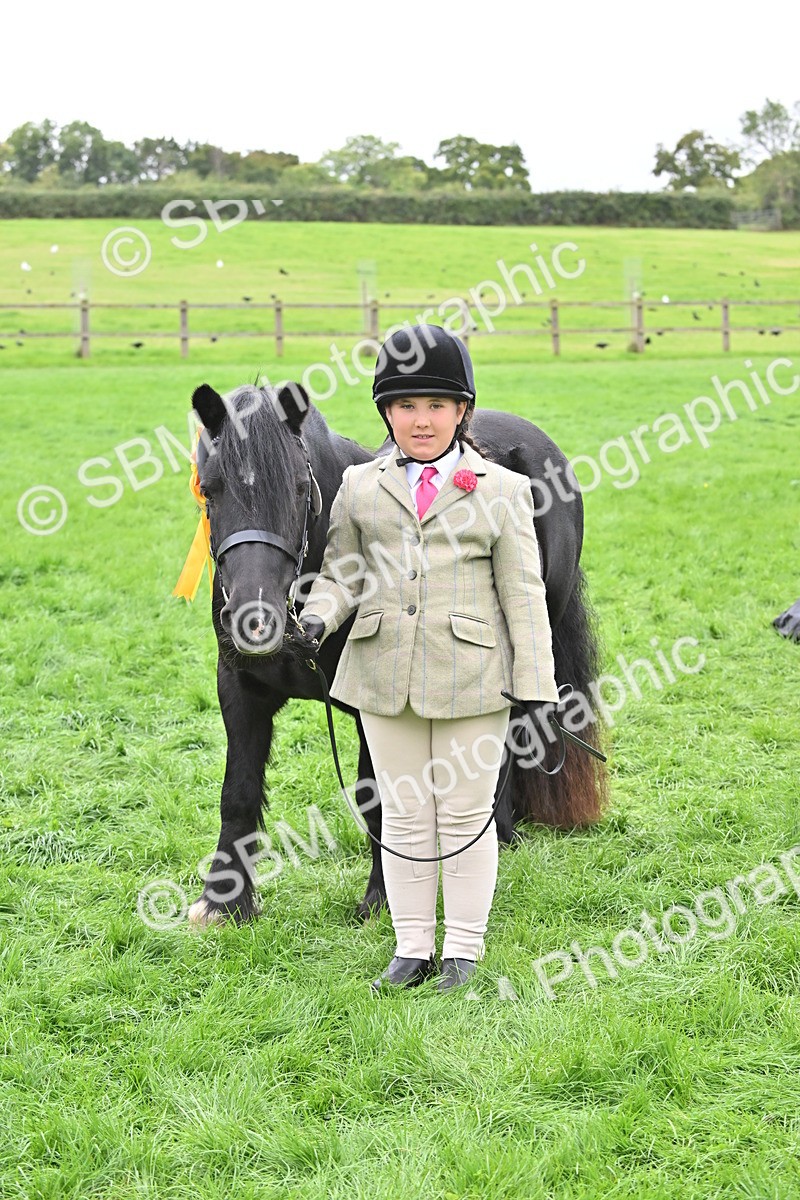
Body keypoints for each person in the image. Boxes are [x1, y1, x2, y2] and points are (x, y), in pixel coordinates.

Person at [299, 324, 559, 993]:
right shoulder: (358, 485)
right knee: (406, 814)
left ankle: (463, 951)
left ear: (461, 412)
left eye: (436, 405)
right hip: (383, 672)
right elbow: (341, 572)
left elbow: (523, 593)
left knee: (466, 816)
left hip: (474, 677)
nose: (421, 419)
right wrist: (315, 619)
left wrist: (535, 685)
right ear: (387, 412)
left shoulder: (500, 489)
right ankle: (412, 948)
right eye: (407, 405)